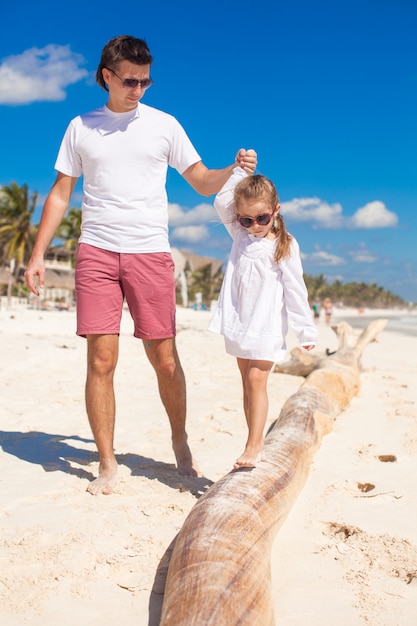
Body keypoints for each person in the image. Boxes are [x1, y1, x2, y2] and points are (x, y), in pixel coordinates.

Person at [24, 35, 257, 495]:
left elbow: (200, 181)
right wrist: (36, 254)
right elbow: (60, 192)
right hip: (96, 249)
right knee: (101, 360)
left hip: (150, 252)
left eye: (146, 80)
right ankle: (107, 463)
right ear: (107, 76)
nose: (139, 89)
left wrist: (232, 171)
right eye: (131, 81)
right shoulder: (81, 126)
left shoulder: (164, 125)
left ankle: (179, 438)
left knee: (164, 358)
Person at [209, 167, 317, 469]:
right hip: (240, 324)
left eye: (261, 218)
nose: (254, 225)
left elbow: (297, 290)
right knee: (247, 384)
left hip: (266, 327)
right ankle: (253, 439)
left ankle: (255, 446)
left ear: (275, 211)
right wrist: (240, 171)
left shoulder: (285, 245)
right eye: (246, 219)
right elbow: (221, 202)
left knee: (257, 380)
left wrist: (305, 331)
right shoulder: (240, 236)